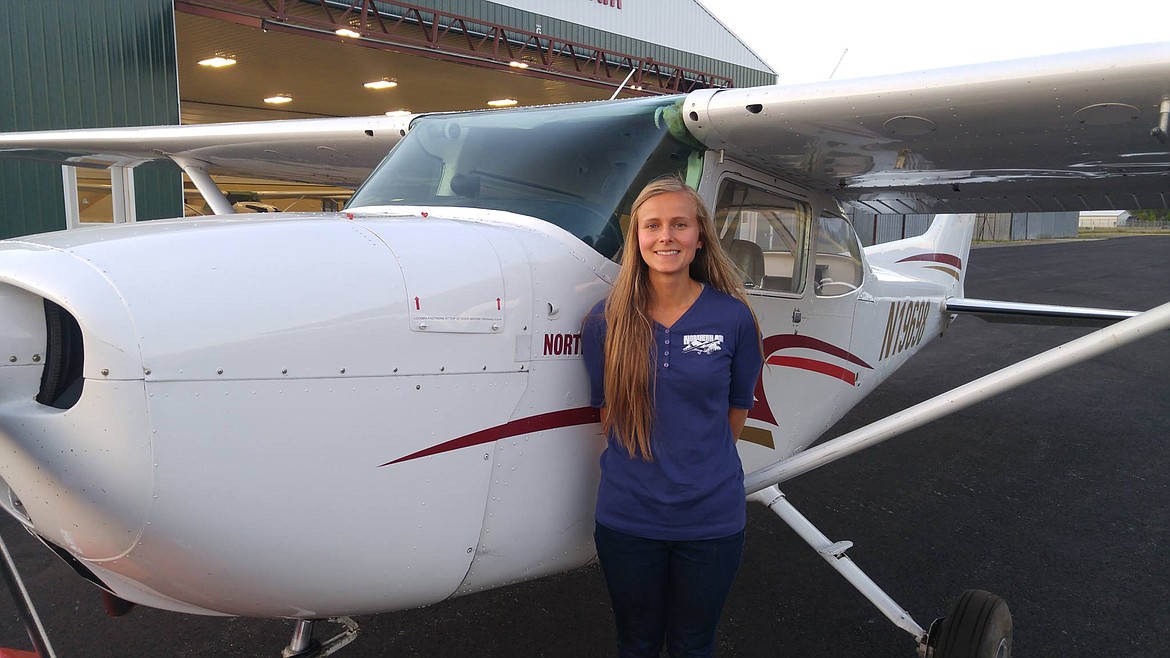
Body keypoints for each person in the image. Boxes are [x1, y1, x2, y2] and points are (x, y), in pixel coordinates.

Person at [581, 176, 763, 657]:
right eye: (653, 225)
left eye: (679, 224)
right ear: (637, 239)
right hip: (627, 520)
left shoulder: (733, 318)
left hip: (711, 521)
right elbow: (607, 413)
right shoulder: (604, 322)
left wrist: (697, 468)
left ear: (699, 236)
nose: (666, 236)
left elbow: (736, 410)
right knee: (636, 642)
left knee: (692, 644)